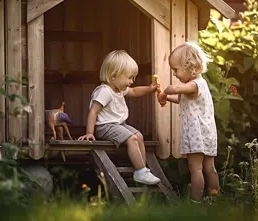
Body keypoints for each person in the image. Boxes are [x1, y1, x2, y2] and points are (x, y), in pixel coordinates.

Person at [78, 50, 161, 185]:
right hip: (105, 127)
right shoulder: (104, 91)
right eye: (129, 77)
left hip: (118, 125)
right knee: (132, 138)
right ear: (114, 76)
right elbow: (93, 112)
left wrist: (149, 88)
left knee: (139, 136)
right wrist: (89, 133)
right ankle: (140, 171)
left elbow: (135, 91)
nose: (131, 81)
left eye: (133, 77)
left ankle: (144, 169)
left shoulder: (119, 89)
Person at [157, 42, 219, 203]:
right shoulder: (194, 87)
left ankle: (196, 202)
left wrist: (165, 92)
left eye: (176, 69)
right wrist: (166, 98)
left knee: (196, 169)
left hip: (196, 134)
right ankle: (214, 199)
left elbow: (175, 90)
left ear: (189, 67)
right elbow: (180, 98)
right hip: (207, 134)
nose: (175, 74)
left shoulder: (195, 84)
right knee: (209, 169)